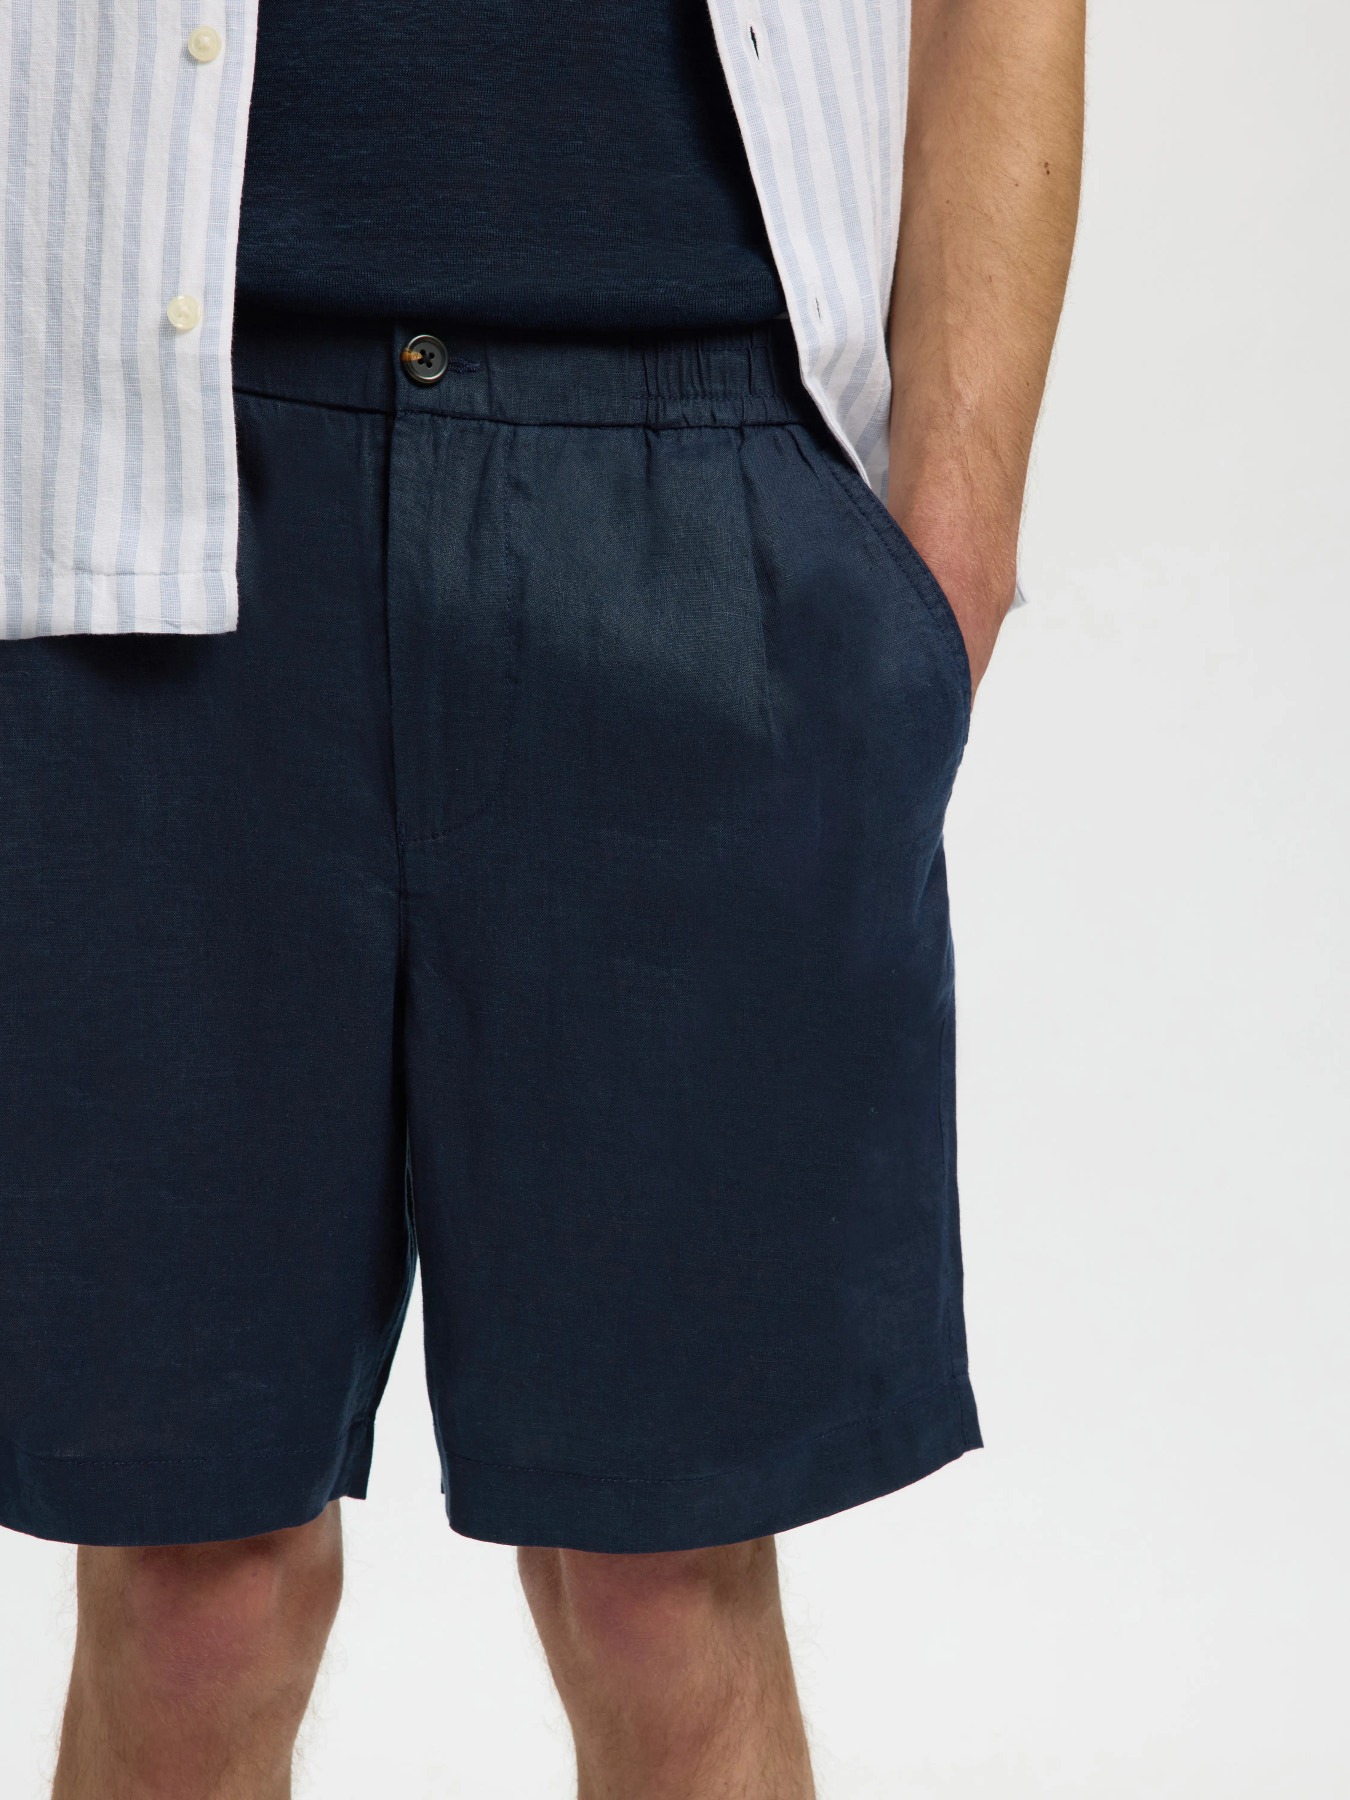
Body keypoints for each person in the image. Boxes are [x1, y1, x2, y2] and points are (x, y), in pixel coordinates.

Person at [0, 0, 1083, 1791]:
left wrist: (949, 542)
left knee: (665, 1585)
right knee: (194, 1591)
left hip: (701, 464)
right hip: (129, 484)